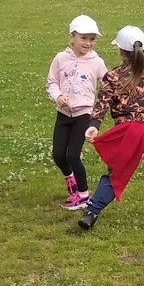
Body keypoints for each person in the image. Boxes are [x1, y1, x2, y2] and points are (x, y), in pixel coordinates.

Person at [78, 26, 144, 230]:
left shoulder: (113, 76)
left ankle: (91, 213)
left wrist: (94, 125)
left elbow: (102, 104)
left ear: (120, 51)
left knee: (116, 172)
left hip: (127, 132)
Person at [46, 14, 109, 210]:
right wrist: (58, 96)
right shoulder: (60, 59)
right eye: (83, 38)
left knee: (73, 155)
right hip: (64, 114)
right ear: (71, 37)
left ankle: (83, 195)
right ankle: (70, 180)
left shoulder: (96, 62)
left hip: (83, 114)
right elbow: (52, 82)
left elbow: (107, 85)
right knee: (58, 154)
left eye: (92, 39)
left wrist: (98, 113)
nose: (88, 43)